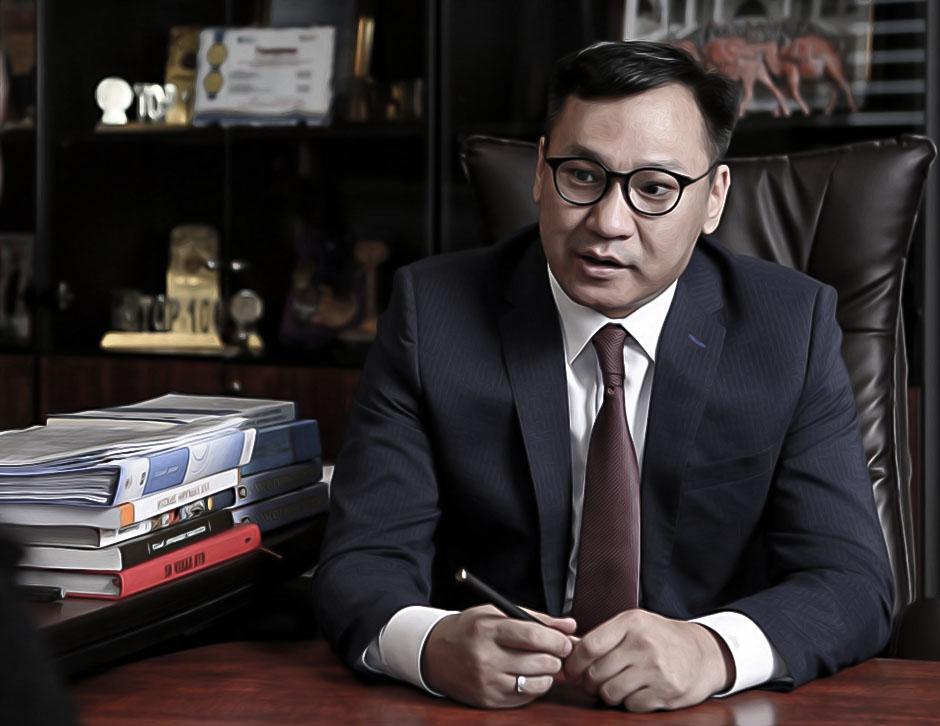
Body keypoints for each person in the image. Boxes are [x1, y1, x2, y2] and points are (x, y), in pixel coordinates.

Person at [313, 40, 893, 713]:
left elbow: (851, 582)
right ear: (540, 172)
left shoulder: (788, 329)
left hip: (704, 710)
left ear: (714, 198)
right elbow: (361, 560)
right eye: (583, 175)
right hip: (498, 707)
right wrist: (431, 644)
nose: (608, 223)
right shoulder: (433, 316)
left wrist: (711, 650)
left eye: (655, 188)